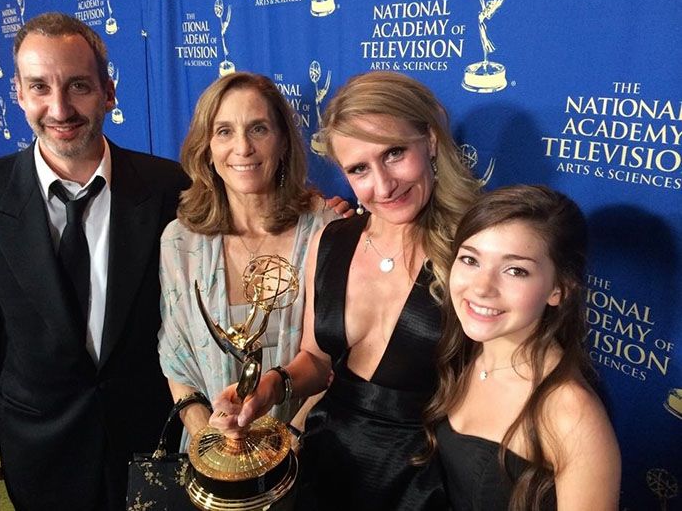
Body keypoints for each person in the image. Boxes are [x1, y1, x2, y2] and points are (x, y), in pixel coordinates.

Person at [211, 71, 481, 510]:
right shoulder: (333, 240)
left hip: (427, 479)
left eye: (394, 153)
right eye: (359, 169)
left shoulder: (475, 251)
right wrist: (268, 388)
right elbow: (317, 360)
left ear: (430, 141)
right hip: (329, 463)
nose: (383, 185)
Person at [0, 12, 190, 510]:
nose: (59, 107)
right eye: (39, 87)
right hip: (37, 446)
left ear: (108, 91)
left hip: (151, 441)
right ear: (18, 93)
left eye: (78, 85)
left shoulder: (171, 188)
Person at [157, 72, 346, 446]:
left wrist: (289, 442)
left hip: (309, 450)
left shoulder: (328, 230)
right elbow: (177, 360)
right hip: (213, 453)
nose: (242, 147)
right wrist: (211, 443)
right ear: (206, 147)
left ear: (283, 142)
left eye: (258, 129)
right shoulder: (179, 241)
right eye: (224, 131)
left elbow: (343, 359)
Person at [420, 185, 621, 510]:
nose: (482, 287)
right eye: (470, 259)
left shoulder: (571, 414)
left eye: (515, 270)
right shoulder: (466, 354)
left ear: (558, 289)